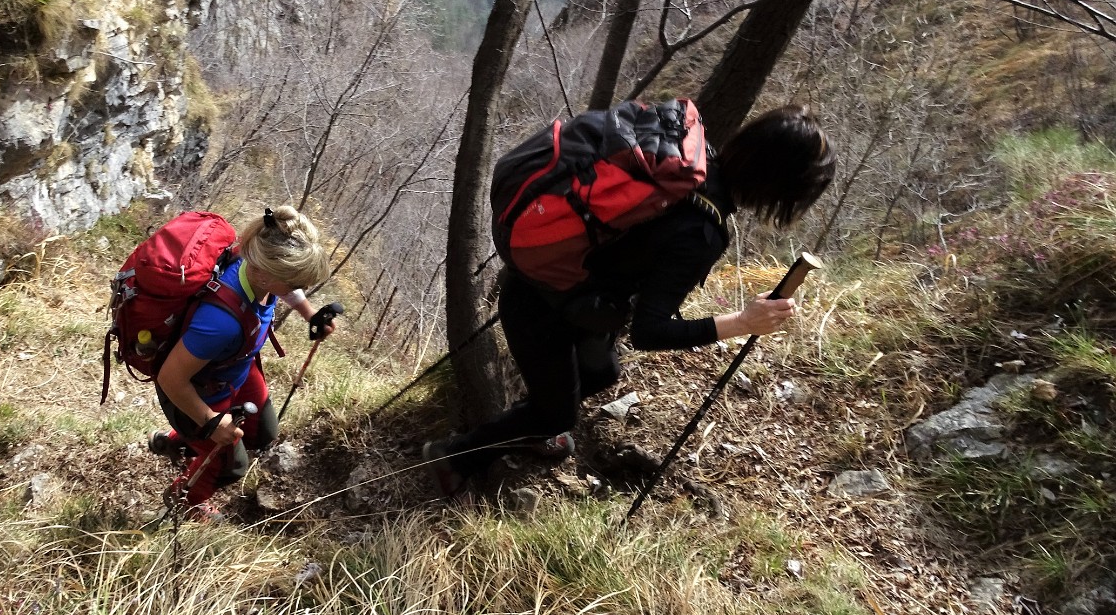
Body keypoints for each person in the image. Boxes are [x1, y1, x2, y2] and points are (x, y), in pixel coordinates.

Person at [423, 105, 836, 496]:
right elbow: (649, 332)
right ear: (778, 186)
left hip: (557, 293)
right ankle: (454, 458)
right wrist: (743, 322)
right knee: (558, 416)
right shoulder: (700, 232)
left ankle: (533, 418)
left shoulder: (688, 156)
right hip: (544, 309)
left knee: (601, 374)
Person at [148, 205, 335, 522]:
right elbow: (170, 379)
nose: (295, 289)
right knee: (231, 466)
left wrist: (310, 313)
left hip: (235, 366)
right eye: (292, 282)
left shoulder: (254, 260)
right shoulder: (220, 322)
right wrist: (210, 422)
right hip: (199, 389)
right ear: (265, 272)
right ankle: (185, 498)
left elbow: (285, 287)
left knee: (263, 431)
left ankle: (176, 443)